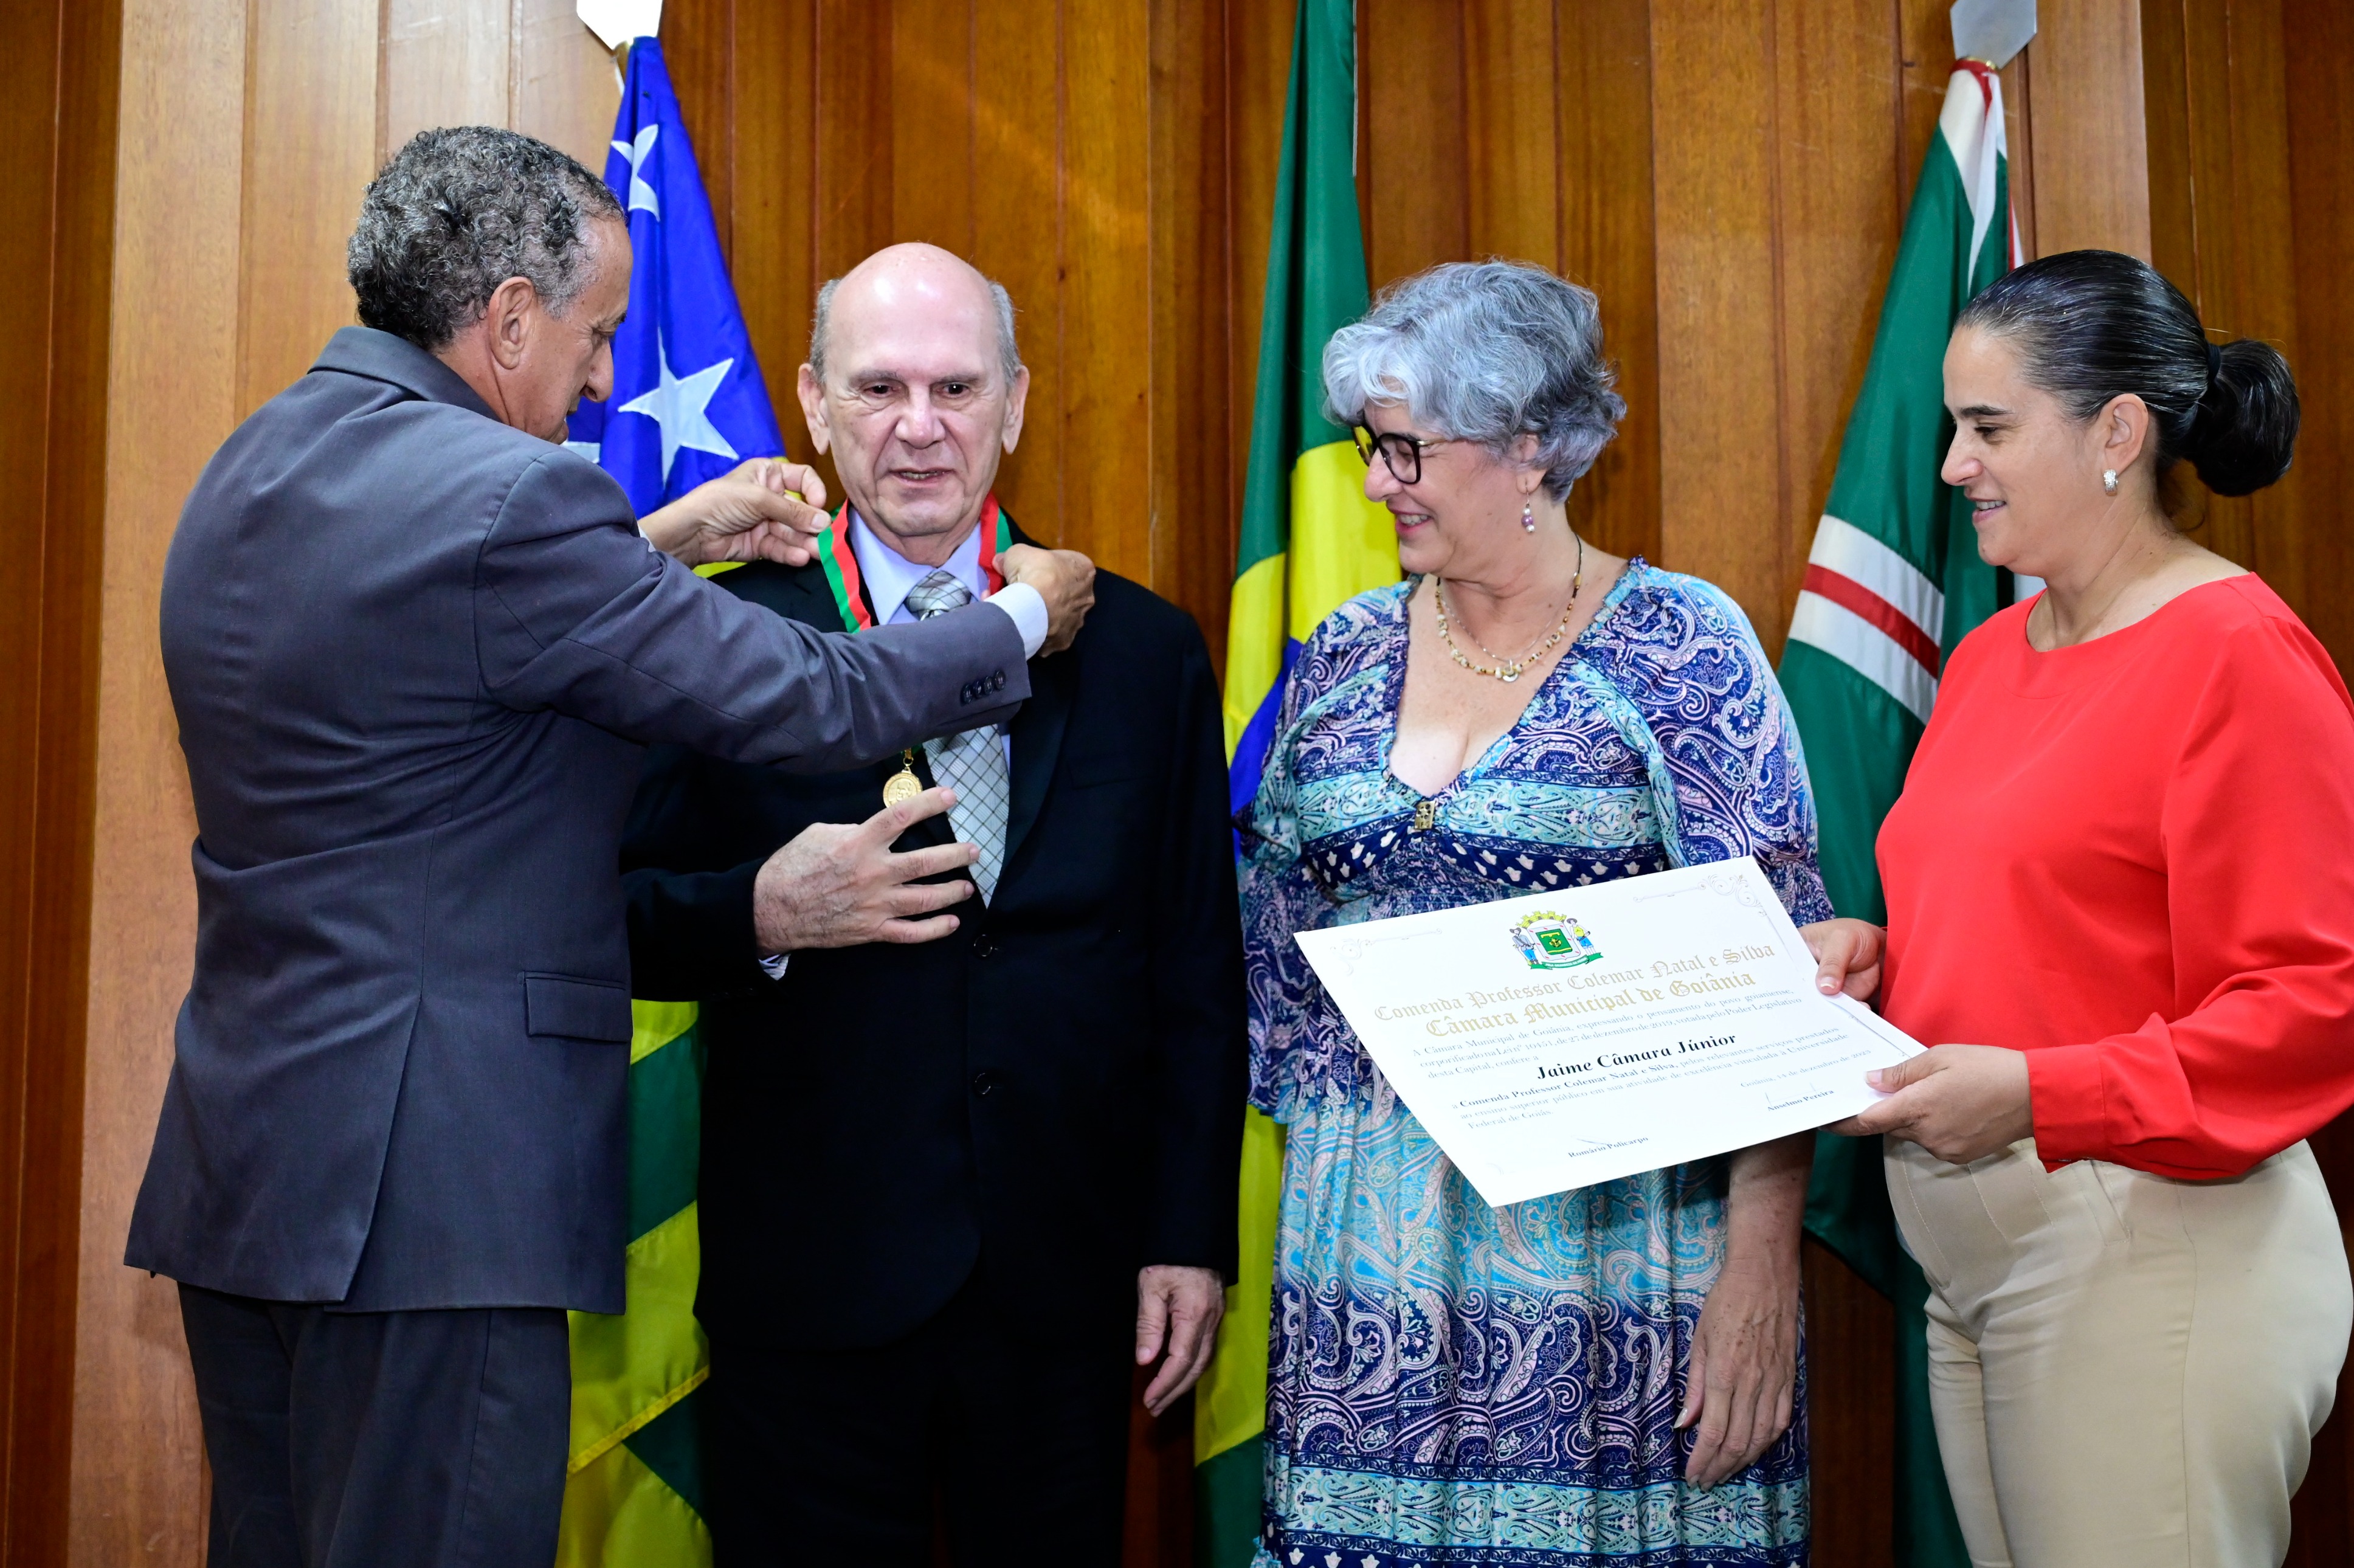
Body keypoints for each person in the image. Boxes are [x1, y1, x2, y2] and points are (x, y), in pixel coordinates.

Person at [124, 130, 1095, 1568]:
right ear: (511, 317)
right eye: (594, 337)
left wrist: (664, 538)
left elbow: (440, 648)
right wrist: (1020, 618)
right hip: (436, 1200)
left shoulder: (251, 465)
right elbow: (816, 698)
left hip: (254, 1172)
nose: (599, 382)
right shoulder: (510, 498)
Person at [620, 241, 1246, 1566]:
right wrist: (759, 917)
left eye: (956, 388)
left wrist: (1189, 1236)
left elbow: (1195, 965)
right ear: (815, 403)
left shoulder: (1143, 649)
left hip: (1068, 1288)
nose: (919, 428)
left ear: (1014, 404)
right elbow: (596, 914)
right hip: (813, 1287)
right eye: (879, 387)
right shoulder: (716, 638)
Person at [1239, 260, 1825, 1568]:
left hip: (1619, 1270)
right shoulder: (1341, 655)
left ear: (1529, 448)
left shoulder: (1682, 646)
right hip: (1363, 1270)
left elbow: (1783, 984)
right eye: (1371, 446)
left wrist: (1760, 1268)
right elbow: (1271, 947)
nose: (1380, 483)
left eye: (1407, 451)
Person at [1804, 249, 2354, 1568]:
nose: (1954, 465)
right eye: (1953, 427)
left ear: (2116, 433)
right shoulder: (1991, 654)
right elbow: (2053, 911)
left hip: (2151, 1251)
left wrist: (2044, 1093)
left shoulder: (2235, 651)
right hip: (1973, 1267)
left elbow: (2315, 1001)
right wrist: (1885, 957)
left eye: (1989, 429)